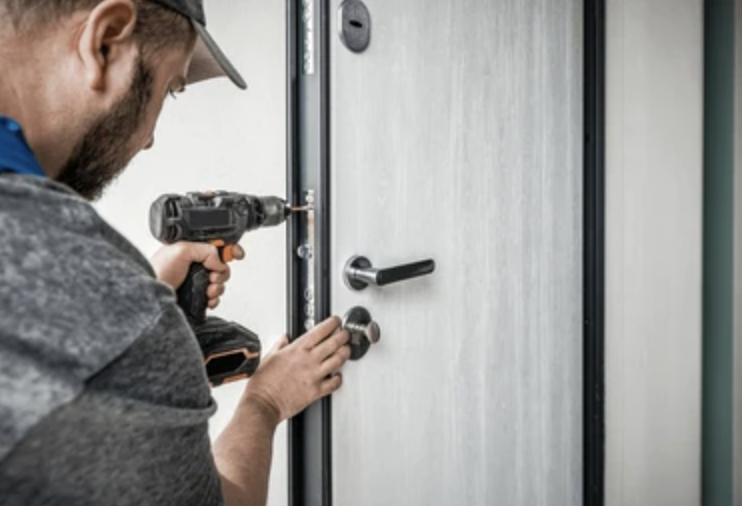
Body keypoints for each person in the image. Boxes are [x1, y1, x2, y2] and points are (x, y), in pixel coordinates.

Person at [0, 1, 351, 505]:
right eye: (170, 89)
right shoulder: (107, 305)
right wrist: (265, 401)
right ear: (105, 42)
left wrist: (130, 309)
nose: (148, 140)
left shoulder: (81, 296)